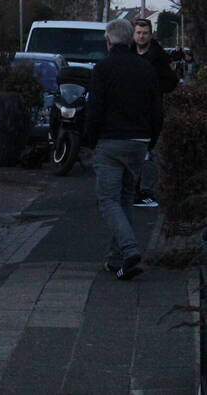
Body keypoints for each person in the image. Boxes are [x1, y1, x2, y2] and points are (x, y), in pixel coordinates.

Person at [85, 19, 162, 280]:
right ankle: (116, 259)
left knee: (108, 200)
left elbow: (95, 108)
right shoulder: (145, 68)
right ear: (130, 39)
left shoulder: (103, 68)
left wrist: (90, 139)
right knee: (126, 198)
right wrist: (150, 140)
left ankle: (129, 250)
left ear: (108, 41)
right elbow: (157, 109)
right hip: (139, 142)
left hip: (110, 141)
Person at [132, 18, 178, 207]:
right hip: (129, 109)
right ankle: (132, 189)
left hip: (151, 111)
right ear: (134, 34)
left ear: (150, 35)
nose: (141, 37)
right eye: (138, 33)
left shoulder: (159, 56)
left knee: (148, 151)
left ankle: (146, 191)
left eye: (145, 33)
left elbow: (172, 81)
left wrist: (153, 88)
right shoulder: (128, 53)